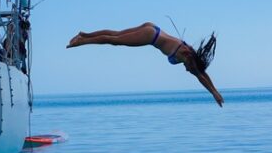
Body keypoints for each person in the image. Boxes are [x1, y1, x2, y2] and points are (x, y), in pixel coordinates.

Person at [67, 23, 223, 107]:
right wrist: (214, 93)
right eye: (190, 69)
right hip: (150, 35)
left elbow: (202, 73)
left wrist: (215, 91)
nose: (187, 70)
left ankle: (84, 34)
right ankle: (82, 41)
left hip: (153, 28)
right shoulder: (188, 57)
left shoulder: (190, 54)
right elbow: (201, 76)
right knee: (114, 40)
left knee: (115, 34)